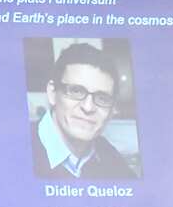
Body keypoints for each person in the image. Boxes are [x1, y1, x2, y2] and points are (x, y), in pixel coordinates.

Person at [33, 42, 136, 179]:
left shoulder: (110, 157)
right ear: (52, 93)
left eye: (102, 98)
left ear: (112, 110)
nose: (88, 107)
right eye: (76, 91)